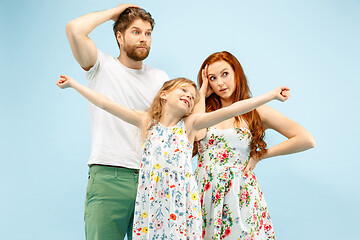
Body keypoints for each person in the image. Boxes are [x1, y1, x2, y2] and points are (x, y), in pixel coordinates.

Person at [56, 75, 290, 239]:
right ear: (164, 95)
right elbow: (105, 104)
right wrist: (74, 85)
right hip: (151, 202)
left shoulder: (190, 124)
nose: (189, 96)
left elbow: (232, 110)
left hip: (180, 205)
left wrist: (270, 96)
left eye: (192, 96)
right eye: (183, 91)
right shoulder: (146, 121)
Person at [65, 4, 169, 240]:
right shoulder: (100, 66)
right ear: (119, 37)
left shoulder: (160, 78)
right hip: (109, 175)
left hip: (151, 179)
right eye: (136, 31)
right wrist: (117, 12)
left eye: (148, 33)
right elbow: (74, 29)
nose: (143, 38)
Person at [194, 51, 316, 239]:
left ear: (237, 73)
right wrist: (201, 95)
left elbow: (306, 139)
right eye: (212, 78)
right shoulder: (202, 110)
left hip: (240, 193)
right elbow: (196, 134)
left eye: (225, 74)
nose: (220, 83)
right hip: (204, 192)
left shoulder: (256, 111)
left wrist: (261, 154)